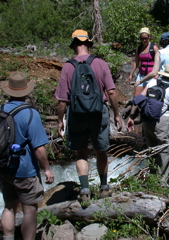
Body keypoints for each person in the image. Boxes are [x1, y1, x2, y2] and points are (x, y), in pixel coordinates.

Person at [54, 29, 122, 201]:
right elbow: (112, 92)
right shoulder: (100, 63)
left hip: (76, 115)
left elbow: (62, 100)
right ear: (88, 44)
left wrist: (60, 120)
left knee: (81, 153)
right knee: (101, 150)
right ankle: (104, 187)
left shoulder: (68, 66)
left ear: (74, 45)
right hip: (99, 113)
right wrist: (117, 114)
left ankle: (84, 190)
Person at [0, 72, 54, 240]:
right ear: (26, 92)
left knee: (9, 206)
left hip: (4, 166)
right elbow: (38, 148)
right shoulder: (30, 114)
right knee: (29, 211)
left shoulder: (1, 109)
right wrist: (47, 169)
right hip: (25, 170)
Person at [128, 27, 159, 96]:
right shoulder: (139, 49)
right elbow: (136, 62)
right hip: (141, 74)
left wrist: (158, 73)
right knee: (137, 95)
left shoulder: (154, 47)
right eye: (142, 38)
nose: (144, 40)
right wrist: (131, 74)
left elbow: (160, 61)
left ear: (149, 37)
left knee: (150, 95)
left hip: (151, 75)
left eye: (146, 38)